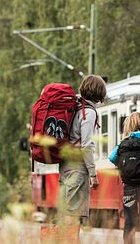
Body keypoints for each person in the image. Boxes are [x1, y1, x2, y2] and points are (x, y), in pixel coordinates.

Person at [59, 74, 106, 241]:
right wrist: (93, 174)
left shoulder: (76, 107)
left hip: (65, 166)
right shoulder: (88, 112)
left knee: (68, 212)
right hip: (77, 168)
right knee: (72, 214)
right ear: (99, 91)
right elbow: (86, 145)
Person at [109, 112, 140, 244]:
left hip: (128, 185)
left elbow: (112, 158)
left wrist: (125, 163)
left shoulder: (124, 142)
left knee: (129, 221)